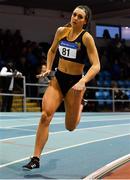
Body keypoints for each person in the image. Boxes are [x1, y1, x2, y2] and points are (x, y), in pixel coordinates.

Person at [23, 5, 100, 170]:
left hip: (75, 83)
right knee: (45, 116)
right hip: (58, 79)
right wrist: (49, 68)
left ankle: (80, 104)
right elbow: (51, 51)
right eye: (74, 15)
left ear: (85, 21)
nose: (75, 18)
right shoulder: (61, 31)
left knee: (70, 127)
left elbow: (96, 65)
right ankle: (35, 158)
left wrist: (83, 81)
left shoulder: (86, 38)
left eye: (80, 17)